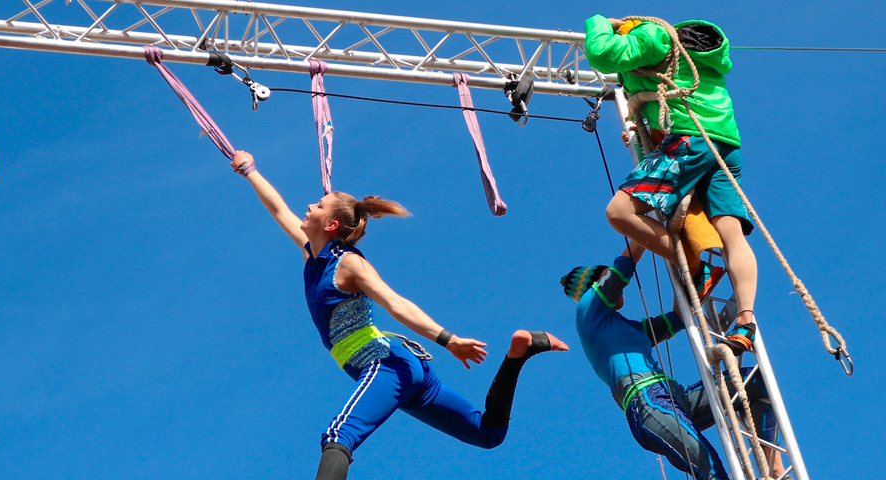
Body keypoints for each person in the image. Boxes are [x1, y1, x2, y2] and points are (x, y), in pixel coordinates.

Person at [229, 151, 568, 480]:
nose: (307, 206)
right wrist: (250, 171)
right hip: (403, 371)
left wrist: (448, 340)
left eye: (317, 206)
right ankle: (520, 352)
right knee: (487, 433)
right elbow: (278, 208)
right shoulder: (312, 255)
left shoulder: (347, 263)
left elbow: (396, 303)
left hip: (385, 364)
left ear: (331, 224)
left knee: (338, 435)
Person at [584, 15, 758, 352]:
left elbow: (602, 54)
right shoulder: (693, 58)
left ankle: (696, 268)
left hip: (689, 141)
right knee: (731, 234)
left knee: (619, 212)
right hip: (723, 145)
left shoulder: (654, 36)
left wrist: (599, 22)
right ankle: (746, 319)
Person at [561, 240, 786, 480]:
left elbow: (678, 318)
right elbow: (622, 269)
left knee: (756, 381)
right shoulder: (587, 314)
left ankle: (775, 471)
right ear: (593, 286)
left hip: (676, 396)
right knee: (709, 466)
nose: (620, 288)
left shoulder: (629, 329)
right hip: (646, 401)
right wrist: (643, 232)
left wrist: (687, 274)